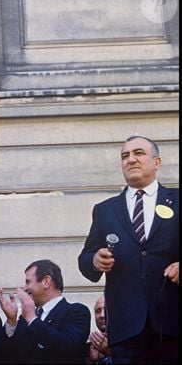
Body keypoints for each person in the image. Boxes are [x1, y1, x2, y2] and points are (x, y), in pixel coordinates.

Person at [78, 135, 179, 364]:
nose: (131, 160)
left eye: (139, 153)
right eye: (125, 156)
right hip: (126, 332)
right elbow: (85, 259)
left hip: (174, 326)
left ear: (157, 162)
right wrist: (94, 260)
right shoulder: (105, 210)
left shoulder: (178, 200)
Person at [0, 259, 90, 364]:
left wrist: (32, 319)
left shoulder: (76, 311)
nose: (25, 288)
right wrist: (11, 321)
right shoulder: (25, 317)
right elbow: (9, 354)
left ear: (46, 281)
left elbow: (69, 347)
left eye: (28, 282)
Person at [86, 296, 111, 364]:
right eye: (98, 311)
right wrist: (91, 361)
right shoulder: (90, 348)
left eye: (106, 310)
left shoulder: (131, 343)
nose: (102, 315)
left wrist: (111, 354)